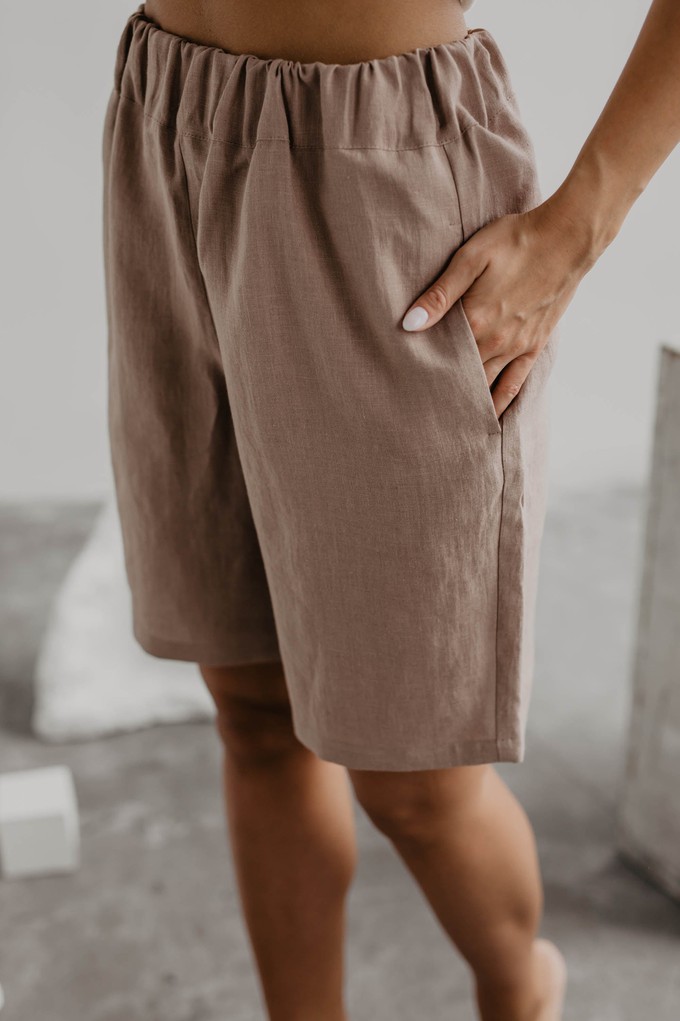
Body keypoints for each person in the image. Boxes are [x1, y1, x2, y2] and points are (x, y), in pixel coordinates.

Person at [100, 1, 680, 1018]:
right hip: (167, 121)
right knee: (252, 709)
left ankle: (518, 991)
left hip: (381, 188)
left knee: (413, 778)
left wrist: (574, 229)